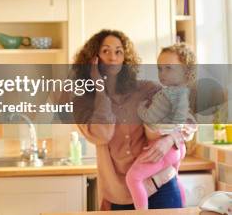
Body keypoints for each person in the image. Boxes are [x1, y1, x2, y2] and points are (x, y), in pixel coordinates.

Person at [72, 29, 195, 210]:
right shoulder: (82, 102)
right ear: (92, 58)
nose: (113, 57)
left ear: (125, 58)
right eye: (105, 51)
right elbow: (102, 135)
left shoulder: (146, 89)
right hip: (120, 195)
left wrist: (170, 139)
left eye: (118, 51)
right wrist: (99, 89)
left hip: (161, 186)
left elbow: (189, 120)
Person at [126, 43, 196, 209]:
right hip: (174, 151)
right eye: (160, 68)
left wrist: (143, 112)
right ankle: (183, 206)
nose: (162, 73)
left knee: (133, 178)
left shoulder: (170, 93)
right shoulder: (176, 91)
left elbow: (186, 123)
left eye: (169, 68)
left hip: (168, 150)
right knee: (176, 176)